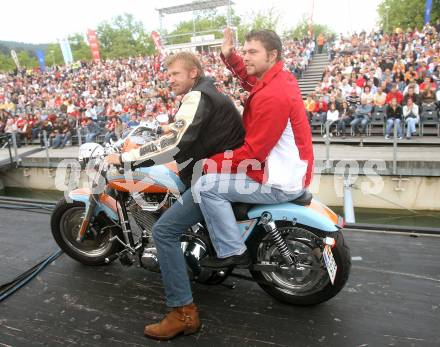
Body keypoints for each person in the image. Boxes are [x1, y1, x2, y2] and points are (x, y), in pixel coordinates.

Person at [105, 52, 245, 340]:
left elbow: (173, 143)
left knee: (164, 232)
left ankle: (183, 313)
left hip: (212, 177)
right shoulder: (211, 90)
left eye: (175, 75)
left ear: (193, 73)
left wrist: (126, 158)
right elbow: (187, 130)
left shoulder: (197, 96)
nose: (169, 80)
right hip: (226, 170)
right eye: (168, 76)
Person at [193, 29, 313, 270]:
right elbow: (252, 82)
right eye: (244, 51)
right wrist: (229, 56)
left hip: (278, 181)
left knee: (205, 186)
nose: (246, 57)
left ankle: (232, 250)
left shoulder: (273, 96)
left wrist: (207, 163)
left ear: (272, 55)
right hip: (290, 173)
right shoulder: (281, 79)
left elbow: (252, 155)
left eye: (252, 52)